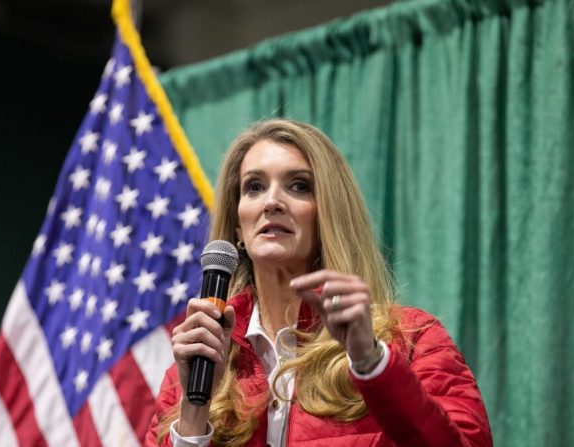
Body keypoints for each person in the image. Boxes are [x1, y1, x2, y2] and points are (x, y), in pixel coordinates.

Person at [145, 119, 492, 446]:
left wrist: (371, 364)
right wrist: (193, 413)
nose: (272, 202)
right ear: (238, 226)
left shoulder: (411, 341)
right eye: (254, 187)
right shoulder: (197, 361)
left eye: (299, 185)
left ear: (329, 212)